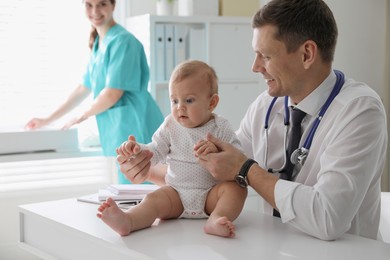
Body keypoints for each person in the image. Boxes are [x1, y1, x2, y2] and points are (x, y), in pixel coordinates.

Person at [116, 0, 388, 241]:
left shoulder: (360, 111)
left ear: (306, 54)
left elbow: (328, 218)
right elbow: (209, 173)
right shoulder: (266, 105)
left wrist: (247, 169)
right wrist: (145, 168)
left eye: (265, 56)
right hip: (274, 244)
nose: (255, 67)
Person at [97, 60, 247, 238]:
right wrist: (137, 151)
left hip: (210, 196)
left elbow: (238, 158)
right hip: (175, 194)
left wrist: (218, 150)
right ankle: (129, 220)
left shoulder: (220, 127)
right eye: (174, 100)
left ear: (212, 102)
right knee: (152, 200)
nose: (179, 107)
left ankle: (216, 218)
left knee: (236, 189)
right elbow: (154, 151)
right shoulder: (170, 124)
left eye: (189, 100)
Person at [24, 0, 163, 184]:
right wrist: (47, 119)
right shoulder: (99, 43)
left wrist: (82, 115)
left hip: (138, 125)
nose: (95, 11)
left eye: (102, 4)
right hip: (120, 128)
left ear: (114, 6)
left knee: (146, 190)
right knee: (132, 193)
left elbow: (113, 92)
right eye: (89, 4)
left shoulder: (124, 41)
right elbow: (83, 87)